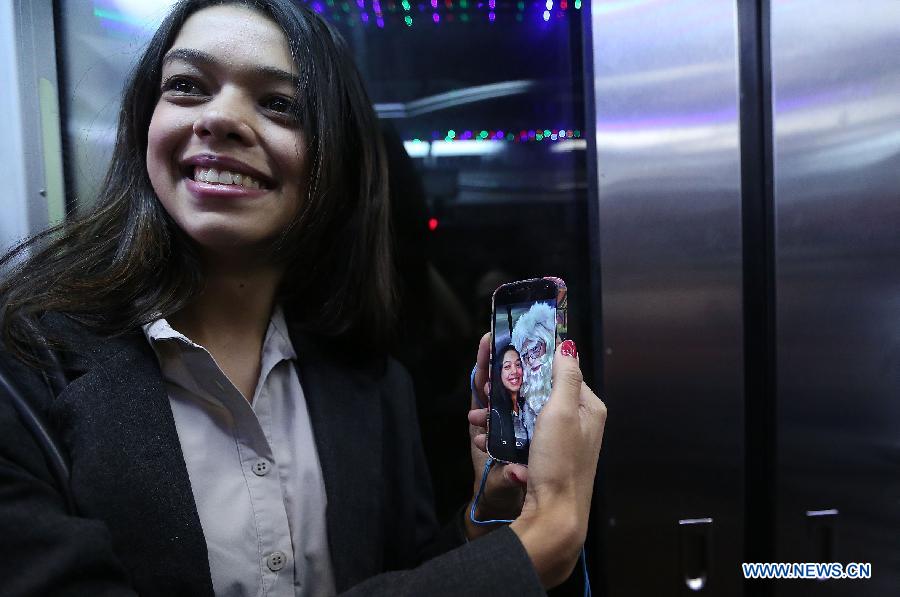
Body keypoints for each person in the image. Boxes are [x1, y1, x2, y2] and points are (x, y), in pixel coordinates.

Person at [0, 1, 607, 595]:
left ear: (331, 161)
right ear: (143, 123)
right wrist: (536, 549)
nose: (220, 119)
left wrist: (483, 529)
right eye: (187, 86)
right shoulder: (24, 369)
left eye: (279, 104)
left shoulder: (372, 387)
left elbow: (406, 573)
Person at [511, 302, 557, 441]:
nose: (531, 361)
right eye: (525, 355)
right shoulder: (522, 397)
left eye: (535, 349)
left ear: (548, 344)